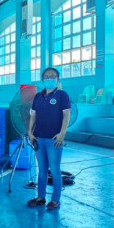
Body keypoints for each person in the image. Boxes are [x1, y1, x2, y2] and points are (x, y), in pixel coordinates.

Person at [27, 67, 71, 210]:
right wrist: (30, 131)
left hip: (54, 140)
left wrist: (62, 133)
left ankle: (55, 199)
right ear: (42, 79)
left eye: (53, 76)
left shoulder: (62, 95)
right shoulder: (38, 97)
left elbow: (66, 115)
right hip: (39, 138)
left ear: (58, 79)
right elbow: (33, 115)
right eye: (47, 76)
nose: (49, 79)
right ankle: (40, 197)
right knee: (42, 169)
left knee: (55, 170)